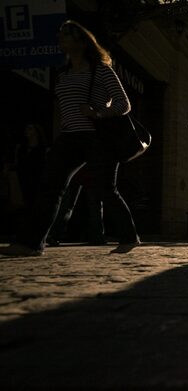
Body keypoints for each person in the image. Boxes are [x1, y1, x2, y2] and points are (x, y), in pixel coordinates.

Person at [1, 20, 139, 257]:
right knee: (50, 188)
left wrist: (98, 113)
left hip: (96, 138)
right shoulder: (62, 74)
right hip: (68, 138)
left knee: (106, 189)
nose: (61, 38)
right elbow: (63, 110)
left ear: (82, 42)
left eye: (67, 35)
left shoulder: (102, 70)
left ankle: (129, 237)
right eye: (60, 34)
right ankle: (31, 243)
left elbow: (123, 104)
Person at [14, 123, 48, 209]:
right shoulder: (21, 148)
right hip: (22, 181)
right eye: (26, 128)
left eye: (29, 128)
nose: (26, 131)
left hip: (37, 183)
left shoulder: (43, 149)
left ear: (37, 132)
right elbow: (17, 164)